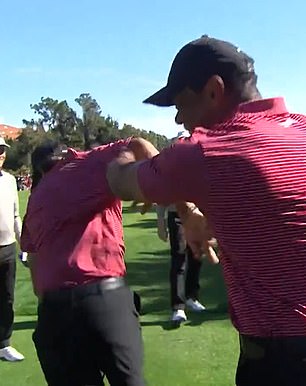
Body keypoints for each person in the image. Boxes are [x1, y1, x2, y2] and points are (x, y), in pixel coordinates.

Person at [107, 35, 306, 385]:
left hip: (282, 360)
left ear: (214, 91)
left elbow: (119, 179)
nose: (180, 119)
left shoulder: (206, 151)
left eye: (181, 104)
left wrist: (133, 146)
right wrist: (195, 212)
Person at [21, 138, 157, 386]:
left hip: (54, 311)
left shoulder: (36, 197)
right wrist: (170, 194)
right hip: (104, 301)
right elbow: (137, 144)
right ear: (66, 154)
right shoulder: (88, 163)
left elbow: (34, 260)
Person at [156, 131, 205, 324]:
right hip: (176, 216)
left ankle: (192, 297)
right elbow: (161, 195)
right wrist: (160, 222)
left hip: (198, 216)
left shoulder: (199, 165)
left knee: (196, 256)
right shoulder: (171, 166)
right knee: (179, 259)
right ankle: (178, 307)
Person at [0, 137, 24, 362]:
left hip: (7, 247)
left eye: (2, 150)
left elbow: (16, 214)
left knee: (6, 298)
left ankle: (4, 344)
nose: (0, 154)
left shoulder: (9, 181)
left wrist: (23, 242)